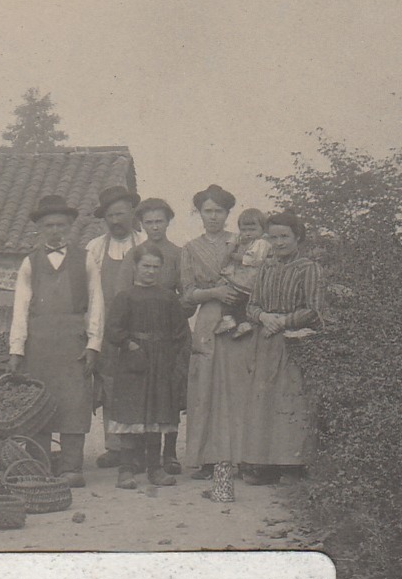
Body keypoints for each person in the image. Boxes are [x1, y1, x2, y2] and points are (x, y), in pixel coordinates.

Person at [8, 194, 103, 488]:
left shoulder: (85, 259)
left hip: (73, 341)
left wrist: (93, 344)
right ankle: (40, 464)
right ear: (39, 227)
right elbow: (20, 308)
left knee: (74, 402)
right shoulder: (29, 263)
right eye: (49, 225)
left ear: (70, 226)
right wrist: (16, 349)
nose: (55, 230)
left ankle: (72, 467)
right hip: (40, 344)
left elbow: (97, 302)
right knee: (39, 403)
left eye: (61, 224)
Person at [237, 212, 323, 484]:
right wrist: (264, 317)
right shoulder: (267, 268)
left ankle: (293, 464)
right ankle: (264, 464)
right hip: (266, 342)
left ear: (298, 237)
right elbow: (252, 305)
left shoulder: (309, 268)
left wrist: (284, 321)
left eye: (284, 236)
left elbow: (314, 309)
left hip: (295, 342)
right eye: (273, 237)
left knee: (291, 399)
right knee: (264, 400)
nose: (279, 242)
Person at [178, 183, 250, 494]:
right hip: (207, 318)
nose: (213, 217)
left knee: (234, 385)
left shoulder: (242, 243)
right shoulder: (190, 249)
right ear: (199, 213)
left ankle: (239, 457)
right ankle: (205, 458)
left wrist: (234, 293)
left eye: (219, 211)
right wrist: (214, 292)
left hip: (238, 315)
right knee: (205, 386)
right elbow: (187, 294)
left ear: (227, 213)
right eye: (207, 211)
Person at [102, 243, 190, 488]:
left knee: (156, 416)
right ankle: (125, 470)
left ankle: (155, 469)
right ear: (135, 267)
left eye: (155, 267)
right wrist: (131, 346)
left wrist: (171, 358)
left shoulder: (168, 298)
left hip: (161, 363)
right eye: (146, 266)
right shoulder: (125, 296)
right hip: (133, 363)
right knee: (131, 416)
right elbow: (113, 330)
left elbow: (180, 332)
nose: (150, 272)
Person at [87, 185, 146, 471]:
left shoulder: (145, 244)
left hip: (140, 328)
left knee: (139, 386)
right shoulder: (95, 248)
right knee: (110, 385)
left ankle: (139, 449)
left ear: (132, 213)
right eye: (110, 215)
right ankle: (114, 447)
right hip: (108, 329)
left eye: (121, 213)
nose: (115, 220)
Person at [135, 196, 186, 473]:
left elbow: (186, 293)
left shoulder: (179, 253)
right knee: (147, 393)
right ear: (141, 224)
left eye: (160, 221)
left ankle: (171, 452)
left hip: (170, 332)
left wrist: (174, 313)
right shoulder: (137, 252)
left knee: (171, 391)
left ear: (168, 222)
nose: (155, 227)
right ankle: (147, 453)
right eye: (149, 222)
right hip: (142, 334)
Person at [215, 208, 273, 338]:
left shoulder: (261, 243)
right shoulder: (247, 242)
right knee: (242, 303)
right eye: (244, 230)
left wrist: (237, 256)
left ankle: (228, 319)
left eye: (252, 230)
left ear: (262, 229)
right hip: (247, 278)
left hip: (250, 278)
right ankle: (243, 324)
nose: (247, 233)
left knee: (231, 295)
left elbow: (256, 260)